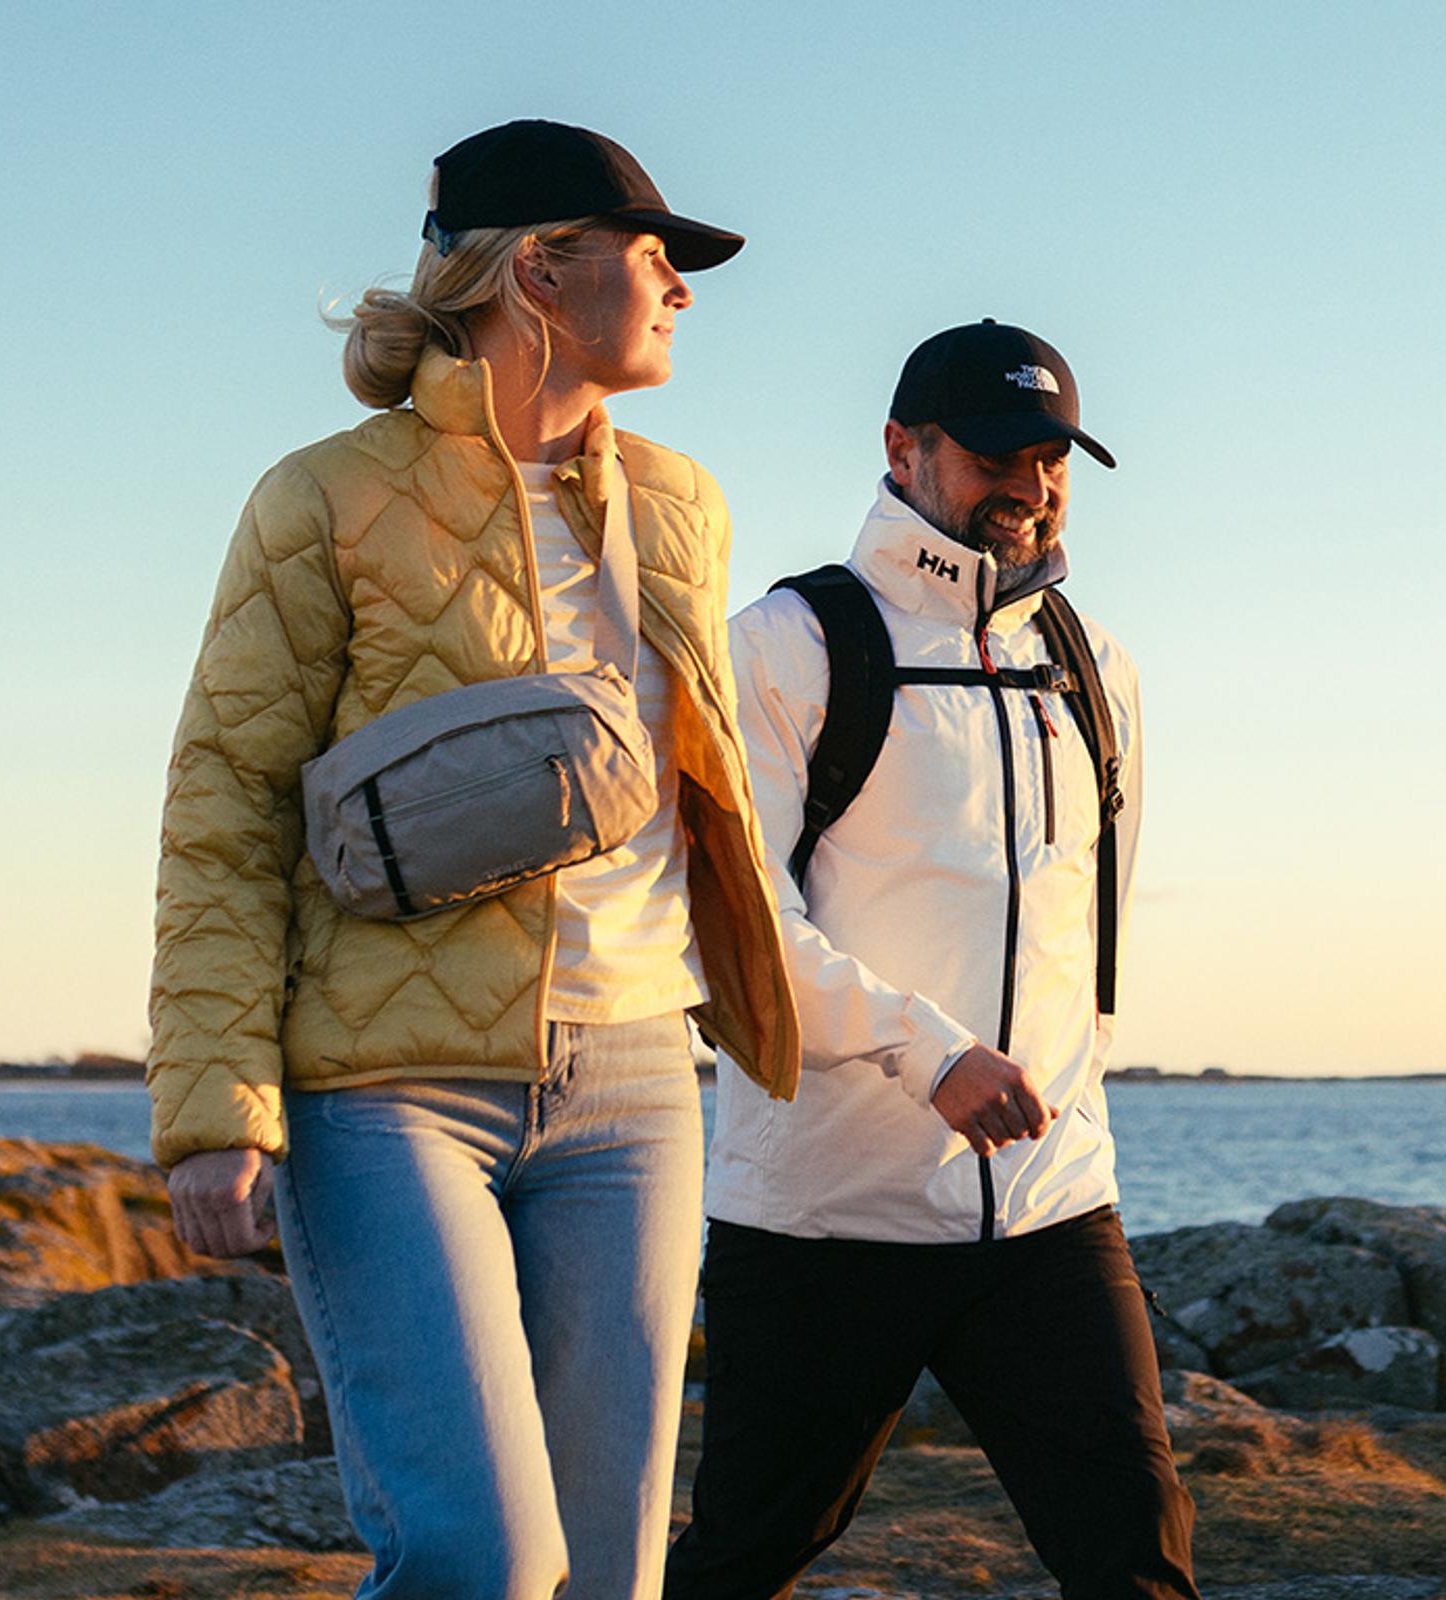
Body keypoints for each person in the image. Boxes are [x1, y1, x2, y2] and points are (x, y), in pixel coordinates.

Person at [147, 119, 799, 1600]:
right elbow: (225, 804)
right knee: (475, 1560)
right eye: (656, 258)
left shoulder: (681, 503)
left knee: (606, 1576)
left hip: (636, 1083)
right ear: (542, 273)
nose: (682, 291)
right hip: (386, 1091)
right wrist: (213, 1109)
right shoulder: (323, 497)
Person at [665, 320, 1201, 1600]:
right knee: (746, 1556)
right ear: (901, 449)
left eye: (1053, 454)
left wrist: (1073, 1091)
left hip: (1050, 1208)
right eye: (995, 451)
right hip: (822, 1213)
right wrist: (933, 1051)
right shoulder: (786, 646)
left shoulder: (1092, 663)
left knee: (1136, 1557)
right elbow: (729, 926)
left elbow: (1095, 925)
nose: (1030, 482)